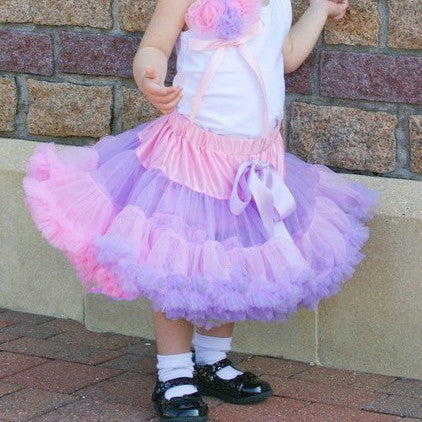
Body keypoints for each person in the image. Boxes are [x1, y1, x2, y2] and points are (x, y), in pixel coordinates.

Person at [22, 0, 380, 420]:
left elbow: (284, 56)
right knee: (178, 266)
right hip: (189, 159)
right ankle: (174, 372)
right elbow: (154, 45)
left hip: (253, 164)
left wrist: (318, 10)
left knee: (228, 263)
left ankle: (212, 360)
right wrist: (148, 73)